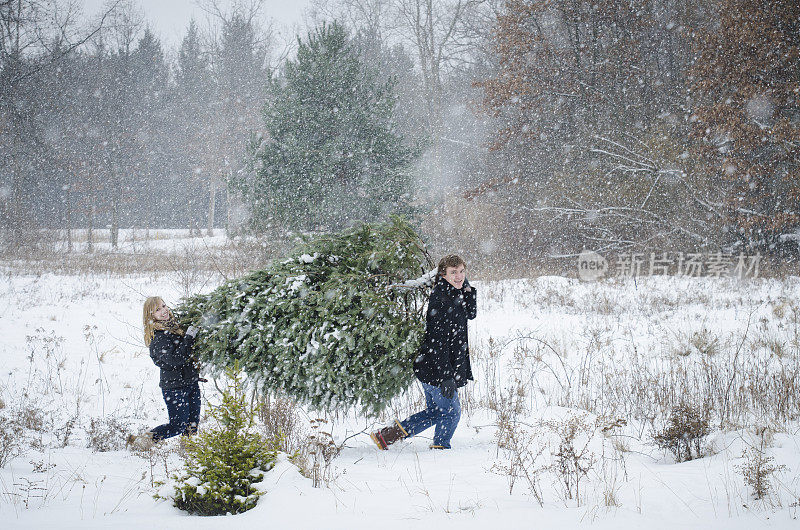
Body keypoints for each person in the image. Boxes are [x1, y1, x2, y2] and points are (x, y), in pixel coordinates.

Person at [370, 254, 477, 450]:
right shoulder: (442, 299)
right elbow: (438, 343)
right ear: (443, 274)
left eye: (462, 271)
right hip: (436, 367)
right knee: (451, 412)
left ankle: (386, 437)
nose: (459, 276)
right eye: (453, 273)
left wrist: (468, 288)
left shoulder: (457, 292)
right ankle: (441, 448)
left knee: (437, 411)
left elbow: (471, 313)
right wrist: (446, 376)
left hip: (431, 365)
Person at [133, 296, 202, 447]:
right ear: (151, 315)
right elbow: (176, 359)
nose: (164, 311)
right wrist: (189, 338)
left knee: (193, 424)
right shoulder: (159, 337)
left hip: (191, 382)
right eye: (157, 310)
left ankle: (188, 450)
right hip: (175, 388)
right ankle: (143, 441)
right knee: (177, 425)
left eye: (164, 306)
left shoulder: (175, 327)